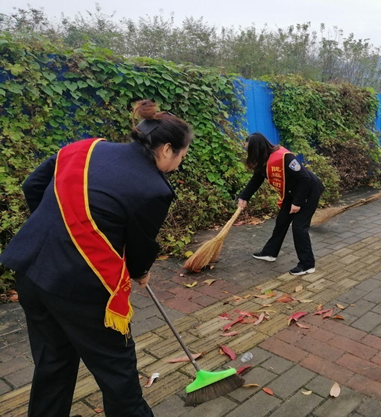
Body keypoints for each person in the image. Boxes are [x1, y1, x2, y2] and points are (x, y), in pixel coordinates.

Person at [0, 100, 192, 417]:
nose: (179, 163)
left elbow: (32, 185)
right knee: (118, 375)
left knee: (53, 362)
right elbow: (140, 245)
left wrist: (59, 235)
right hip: (82, 291)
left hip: (31, 272)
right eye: (182, 156)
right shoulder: (153, 188)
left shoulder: (84, 149)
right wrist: (141, 271)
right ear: (167, 149)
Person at [237, 133, 325, 276]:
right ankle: (270, 253)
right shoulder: (263, 161)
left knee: (299, 228)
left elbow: (305, 179)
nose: (247, 153)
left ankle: (307, 264)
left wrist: (297, 203)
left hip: (308, 192)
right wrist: (244, 197)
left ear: (257, 149)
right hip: (291, 193)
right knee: (281, 222)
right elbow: (256, 180)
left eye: (249, 150)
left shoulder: (285, 157)